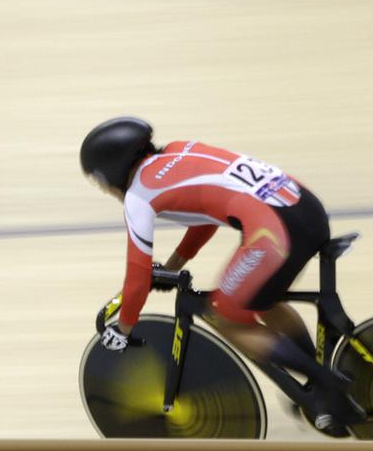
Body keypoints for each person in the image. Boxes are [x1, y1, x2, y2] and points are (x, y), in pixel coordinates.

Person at [80, 116, 359, 433]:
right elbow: (204, 217)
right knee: (259, 301)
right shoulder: (179, 150)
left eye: (100, 182)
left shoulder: (139, 197)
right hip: (305, 208)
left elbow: (137, 276)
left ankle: (329, 383)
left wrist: (124, 329)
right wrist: (172, 267)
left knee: (224, 314)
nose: (105, 190)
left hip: (275, 234)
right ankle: (317, 378)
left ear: (113, 171)